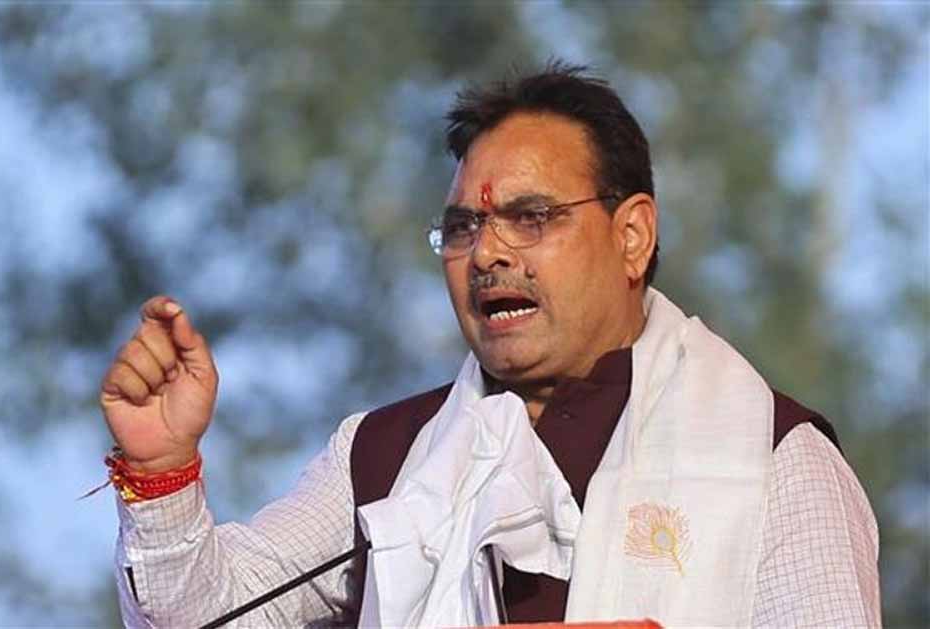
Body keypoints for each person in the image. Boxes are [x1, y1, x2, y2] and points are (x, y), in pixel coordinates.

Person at [102, 65, 880, 628]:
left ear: (633, 235)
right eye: (463, 227)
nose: (488, 253)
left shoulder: (774, 458)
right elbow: (207, 617)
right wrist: (161, 472)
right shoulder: (383, 457)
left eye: (532, 217)